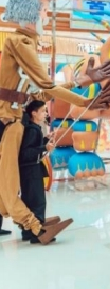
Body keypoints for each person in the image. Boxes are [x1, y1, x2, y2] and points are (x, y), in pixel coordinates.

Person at [0, 0, 110, 245]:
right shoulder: (19, 43)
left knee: (12, 181)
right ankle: (35, 227)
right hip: (8, 122)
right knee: (8, 184)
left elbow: (39, 92)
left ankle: (33, 222)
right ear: (31, 10)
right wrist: (84, 100)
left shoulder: (23, 43)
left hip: (13, 120)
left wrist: (83, 81)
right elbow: (46, 86)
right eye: (44, 10)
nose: (46, 16)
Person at [19, 101, 53, 244]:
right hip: (31, 170)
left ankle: (27, 232)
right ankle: (37, 233)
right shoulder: (32, 130)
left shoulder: (31, 128)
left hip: (27, 170)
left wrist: (45, 140)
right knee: (37, 201)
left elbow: (31, 146)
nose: (46, 113)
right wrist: (44, 147)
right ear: (34, 113)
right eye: (43, 111)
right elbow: (25, 152)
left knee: (28, 201)